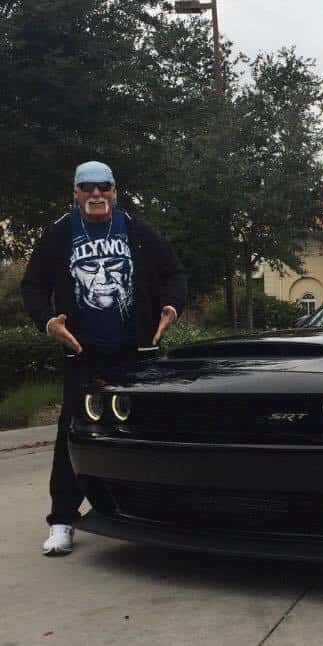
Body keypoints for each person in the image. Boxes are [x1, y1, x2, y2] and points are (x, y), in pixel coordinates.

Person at [21, 161, 187, 556]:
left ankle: (156, 512)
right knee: (72, 434)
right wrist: (48, 322)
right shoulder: (60, 234)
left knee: (148, 432)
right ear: (75, 192)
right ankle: (62, 519)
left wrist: (171, 307)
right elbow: (32, 286)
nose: (97, 194)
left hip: (137, 352)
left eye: (104, 187)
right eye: (88, 188)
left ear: (115, 190)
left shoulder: (137, 230)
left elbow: (174, 273)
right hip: (83, 353)